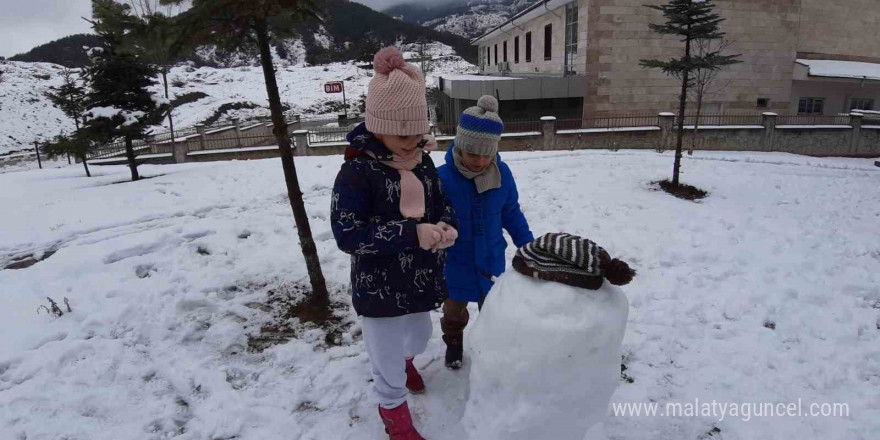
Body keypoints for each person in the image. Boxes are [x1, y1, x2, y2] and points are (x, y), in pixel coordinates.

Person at [330, 46, 458, 440]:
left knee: (418, 338)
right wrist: (410, 233)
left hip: (420, 279)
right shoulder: (356, 172)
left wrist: (447, 227)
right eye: (402, 134)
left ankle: (406, 362)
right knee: (385, 360)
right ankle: (393, 412)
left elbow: (441, 203)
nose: (412, 142)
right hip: (379, 286)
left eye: (418, 133)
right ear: (377, 126)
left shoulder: (422, 161)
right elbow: (348, 234)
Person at [436, 95, 534, 369]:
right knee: (454, 311)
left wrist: (529, 246)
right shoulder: (441, 178)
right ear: (459, 146)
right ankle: (453, 344)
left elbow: (511, 213)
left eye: (486, 154)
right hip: (454, 261)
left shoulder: (501, 173)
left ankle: (490, 349)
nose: (479, 161)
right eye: (472, 153)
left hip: (490, 259)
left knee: (492, 309)